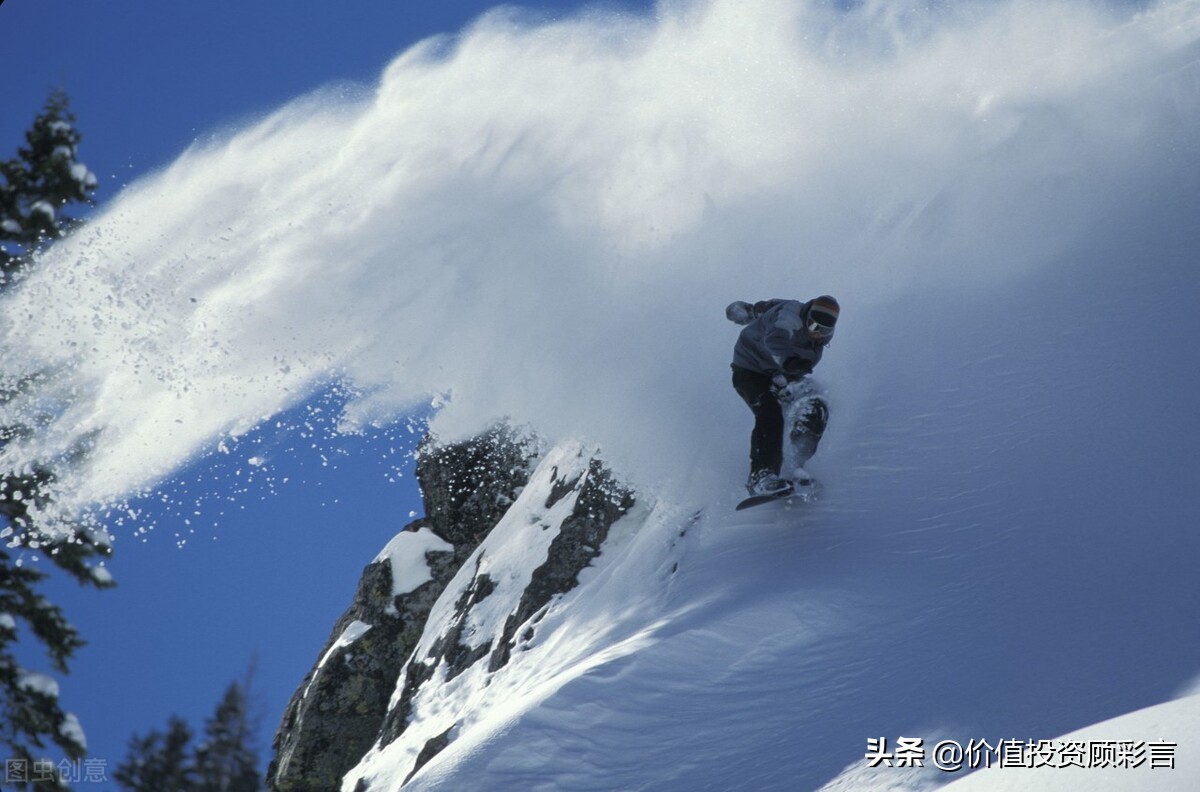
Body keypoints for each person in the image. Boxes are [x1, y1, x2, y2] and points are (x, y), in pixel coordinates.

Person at [726, 295, 839, 496]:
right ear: (807, 315)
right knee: (770, 412)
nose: (817, 333)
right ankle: (761, 476)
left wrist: (754, 311)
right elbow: (775, 339)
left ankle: (795, 466)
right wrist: (749, 311)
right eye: (813, 326)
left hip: (781, 375)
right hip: (750, 369)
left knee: (816, 407)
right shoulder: (791, 316)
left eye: (824, 330)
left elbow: (771, 307)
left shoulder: (816, 345)